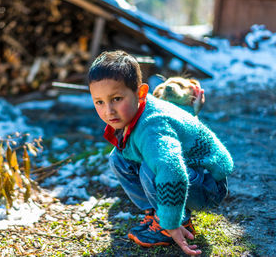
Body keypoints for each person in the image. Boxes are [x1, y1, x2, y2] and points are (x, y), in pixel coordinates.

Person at [87, 50, 233, 255]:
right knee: (119, 158)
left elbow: (173, 172)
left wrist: (172, 222)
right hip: (191, 171)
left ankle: (173, 223)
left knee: (152, 167)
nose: (108, 111)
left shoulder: (152, 127)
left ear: (140, 93)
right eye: (99, 102)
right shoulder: (133, 114)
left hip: (209, 184)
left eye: (117, 98)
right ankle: (156, 213)